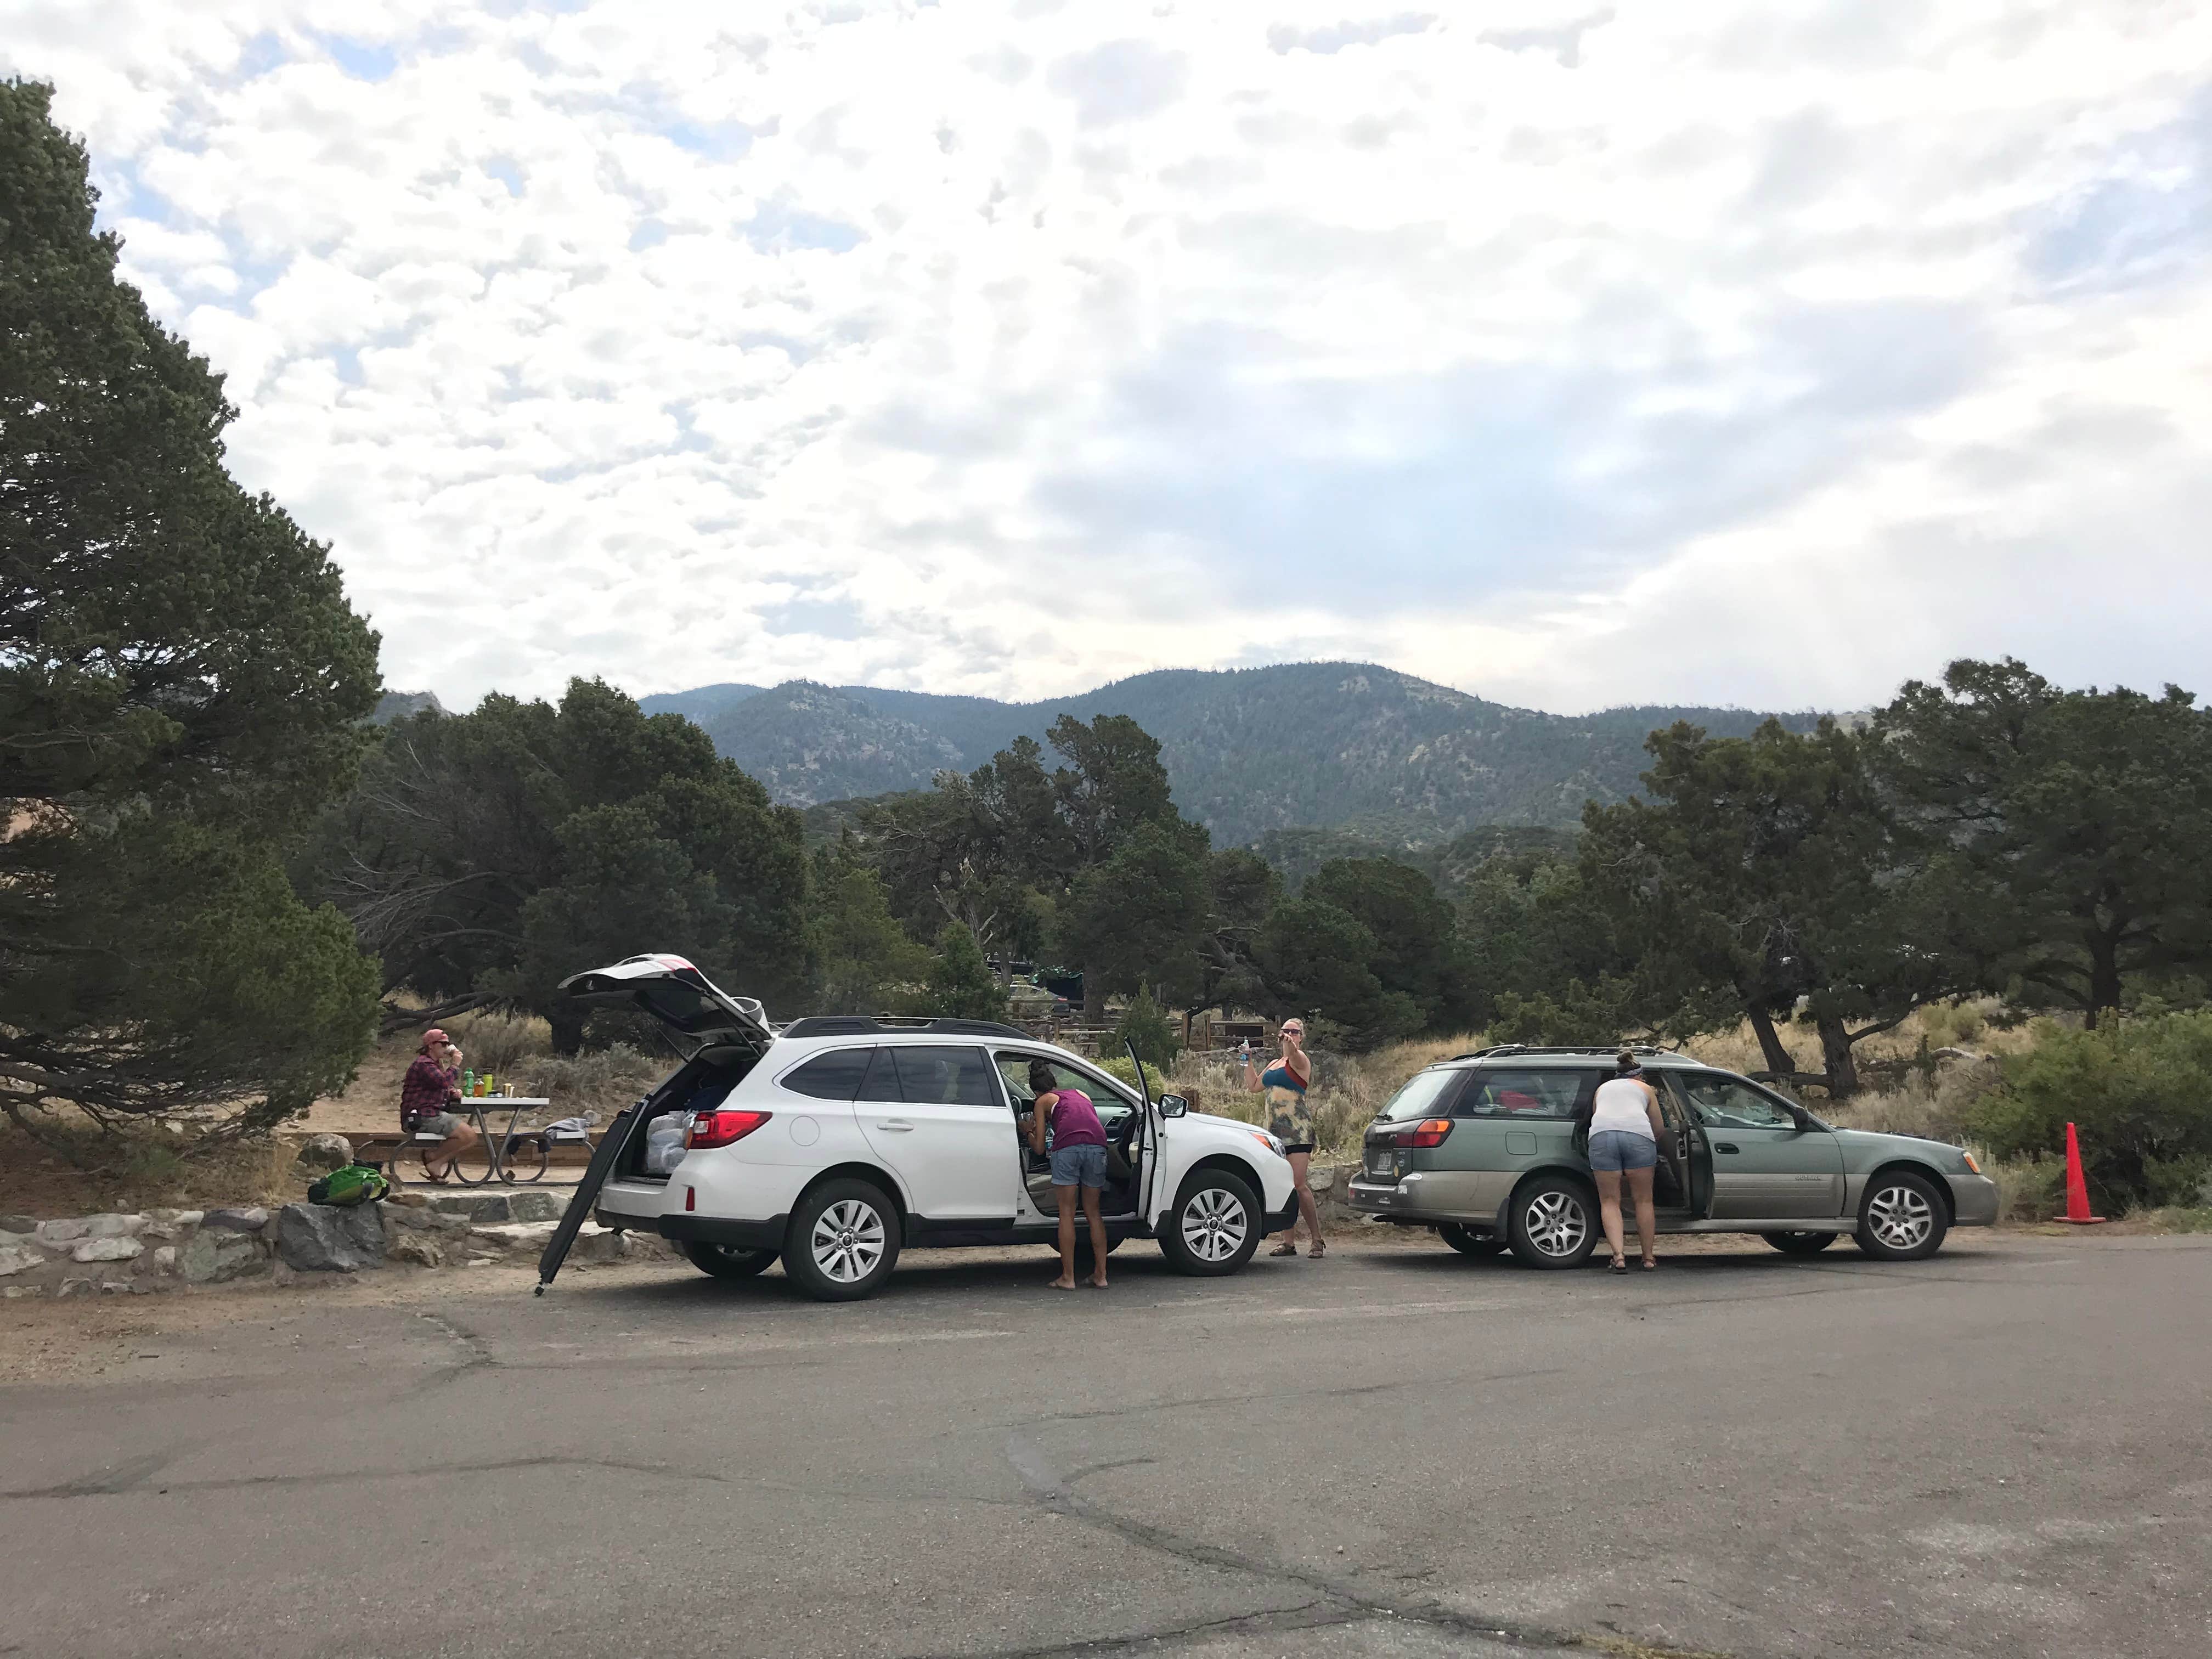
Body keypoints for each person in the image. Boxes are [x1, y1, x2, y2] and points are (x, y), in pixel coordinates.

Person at [1025, 1060, 1111, 1290]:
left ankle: (1068, 1278)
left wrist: (1027, 1132)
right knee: (1093, 1212)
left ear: (1036, 1090)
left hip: (1068, 1149)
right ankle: (1101, 1276)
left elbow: (1040, 1148)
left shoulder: (1042, 1101)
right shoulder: (1081, 1094)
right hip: (1097, 1148)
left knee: (1067, 1213)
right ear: (1055, 1083)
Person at [1245, 1018, 1322, 1259]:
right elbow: (1255, 1086)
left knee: (1299, 1185)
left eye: (1294, 1032)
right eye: (1286, 1031)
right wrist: (1246, 1059)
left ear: (1301, 1036)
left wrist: (1290, 1045)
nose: (1289, 1035)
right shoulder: (1274, 1063)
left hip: (1297, 1130)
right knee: (1285, 1186)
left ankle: (1317, 1239)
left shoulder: (1300, 1060)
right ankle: (1288, 1243)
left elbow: (1293, 1053)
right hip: (1274, 1133)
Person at [1589, 1049, 1666, 1272]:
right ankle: (1648, 1258)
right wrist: (1652, 1143)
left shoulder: (1602, 1089)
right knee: (1643, 1200)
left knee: (1610, 1200)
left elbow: (1597, 1116)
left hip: (1602, 1137)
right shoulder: (1645, 1089)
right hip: (1638, 1137)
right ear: (1639, 1076)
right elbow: (1658, 1127)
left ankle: (1619, 1257)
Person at [399, 1027, 481, 1181]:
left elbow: (437, 1086)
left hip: (430, 1113)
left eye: (448, 1044)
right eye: (443, 1044)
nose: (446, 1047)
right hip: (423, 1116)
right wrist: (455, 1065)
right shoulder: (424, 1064)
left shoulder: (434, 1064)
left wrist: (452, 1092)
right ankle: (434, 1159)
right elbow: (442, 1081)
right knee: (469, 1136)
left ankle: (435, 1159)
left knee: (469, 1137)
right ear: (431, 1045)